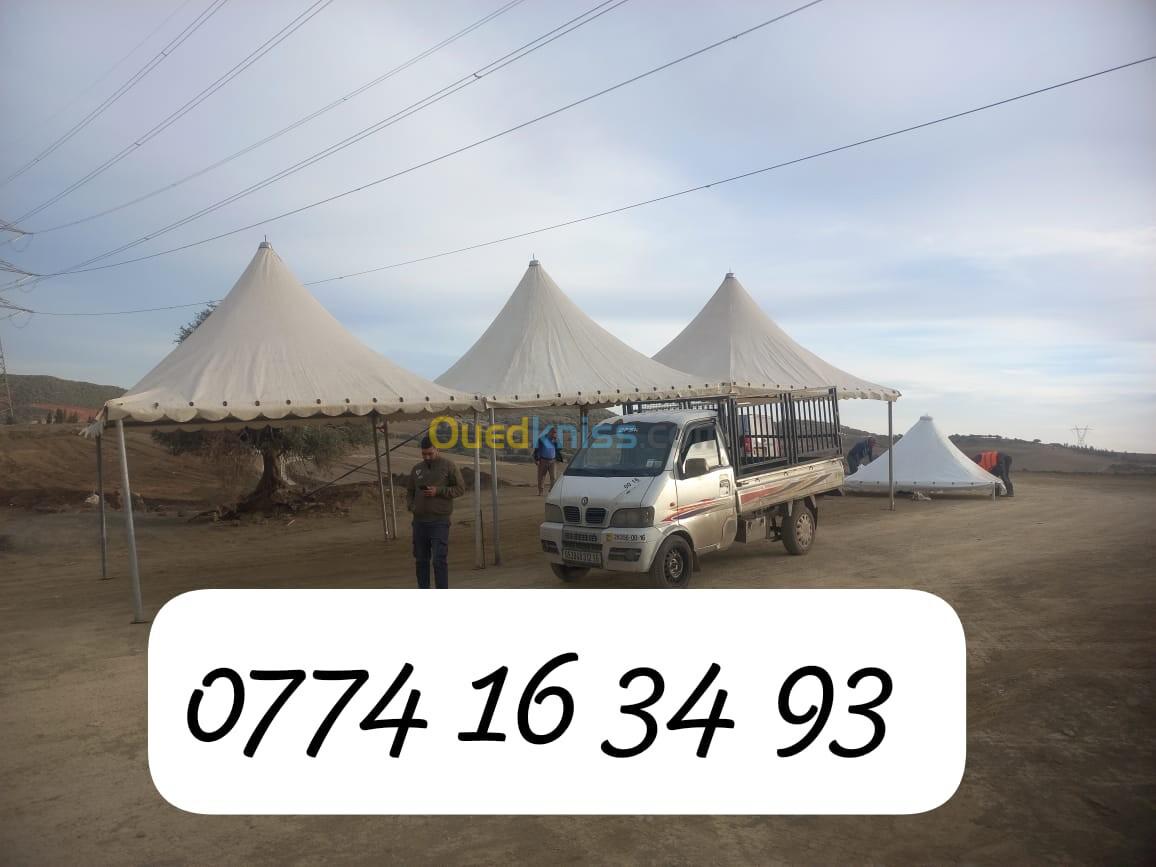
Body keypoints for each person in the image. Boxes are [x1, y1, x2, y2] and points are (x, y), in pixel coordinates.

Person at [404, 435, 465, 588]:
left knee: (439, 559)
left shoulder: (448, 466)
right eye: (424, 454)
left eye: (430, 453)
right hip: (419, 522)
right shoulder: (417, 469)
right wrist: (411, 505)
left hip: (439, 521)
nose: (427, 457)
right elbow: (410, 490)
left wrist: (438, 491)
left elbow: (460, 489)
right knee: (421, 560)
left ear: (437, 449)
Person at [533, 427, 561, 495]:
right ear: (549, 432)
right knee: (541, 477)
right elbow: (536, 450)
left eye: (555, 433)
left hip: (553, 461)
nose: (554, 434)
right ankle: (540, 491)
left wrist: (556, 442)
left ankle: (551, 491)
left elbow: (559, 449)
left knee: (553, 477)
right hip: (543, 460)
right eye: (553, 432)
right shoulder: (542, 439)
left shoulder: (556, 440)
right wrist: (536, 459)